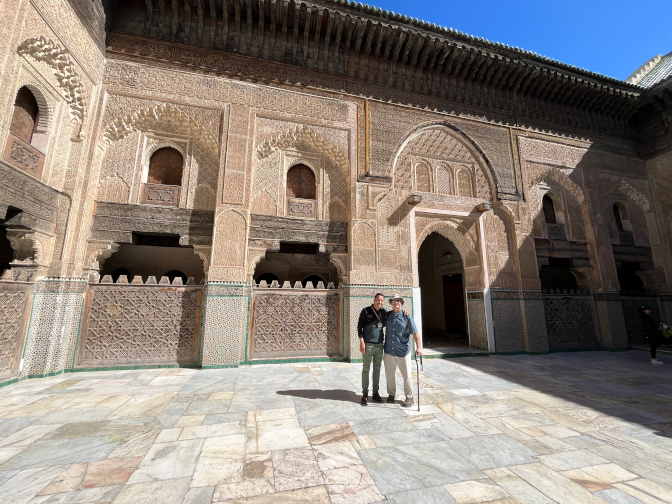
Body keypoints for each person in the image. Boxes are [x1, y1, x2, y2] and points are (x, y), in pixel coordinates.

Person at [357, 293, 409, 405]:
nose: (379, 302)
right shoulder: (365, 311)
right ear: (374, 300)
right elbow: (359, 327)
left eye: (381, 301)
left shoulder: (385, 312)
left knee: (377, 370)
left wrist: (404, 311)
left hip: (380, 345)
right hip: (368, 345)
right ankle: (365, 393)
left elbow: (396, 311)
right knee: (366, 369)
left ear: (384, 302)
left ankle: (375, 393)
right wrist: (362, 341)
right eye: (378, 300)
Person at [384, 294, 422, 407]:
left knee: (407, 375)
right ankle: (391, 394)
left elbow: (415, 333)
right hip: (389, 351)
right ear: (391, 303)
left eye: (398, 301)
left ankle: (409, 397)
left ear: (401, 303)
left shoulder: (407, 317)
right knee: (389, 375)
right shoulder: (387, 315)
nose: (396, 302)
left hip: (403, 351)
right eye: (394, 301)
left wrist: (419, 347)